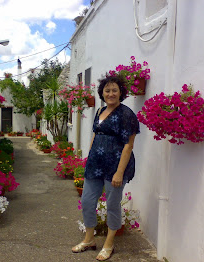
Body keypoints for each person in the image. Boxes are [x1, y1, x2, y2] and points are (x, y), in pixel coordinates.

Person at [71, 75, 140, 261]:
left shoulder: (126, 114)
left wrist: (119, 172)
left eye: (114, 90)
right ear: (102, 92)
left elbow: (129, 145)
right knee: (87, 202)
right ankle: (89, 240)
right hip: (95, 165)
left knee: (112, 205)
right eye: (107, 90)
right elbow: (95, 135)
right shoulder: (100, 110)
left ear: (120, 93)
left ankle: (109, 244)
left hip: (115, 167)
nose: (110, 94)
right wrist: (89, 157)